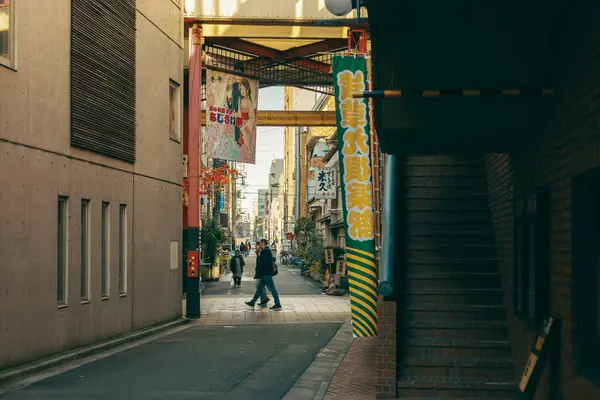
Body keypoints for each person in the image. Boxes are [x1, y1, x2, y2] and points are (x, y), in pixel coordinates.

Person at [246, 239, 282, 310]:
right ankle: (252, 302)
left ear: (263, 243)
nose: (259, 245)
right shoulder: (265, 251)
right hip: (264, 274)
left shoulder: (265, 251)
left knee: (272, 289)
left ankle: (277, 304)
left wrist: (258, 255)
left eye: (260, 243)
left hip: (266, 274)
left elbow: (262, 263)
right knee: (259, 289)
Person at [253, 241, 269, 305]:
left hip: (263, 273)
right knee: (260, 286)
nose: (256, 247)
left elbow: (262, 263)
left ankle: (265, 298)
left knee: (258, 285)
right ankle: (263, 300)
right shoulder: (259, 253)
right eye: (256, 246)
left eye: (257, 246)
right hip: (260, 273)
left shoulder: (263, 252)